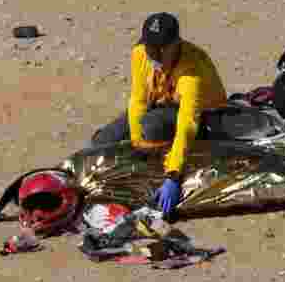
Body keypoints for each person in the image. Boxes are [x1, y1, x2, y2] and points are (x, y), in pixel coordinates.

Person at [91, 12, 229, 214]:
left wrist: (173, 175)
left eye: (160, 49)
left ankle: (159, 169)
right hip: (163, 102)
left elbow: (187, 124)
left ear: (175, 45)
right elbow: (138, 100)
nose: (153, 54)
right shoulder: (140, 53)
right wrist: (137, 141)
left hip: (204, 114)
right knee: (104, 140)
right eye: (150, 47)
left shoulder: (192, 70)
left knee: (152, 127)